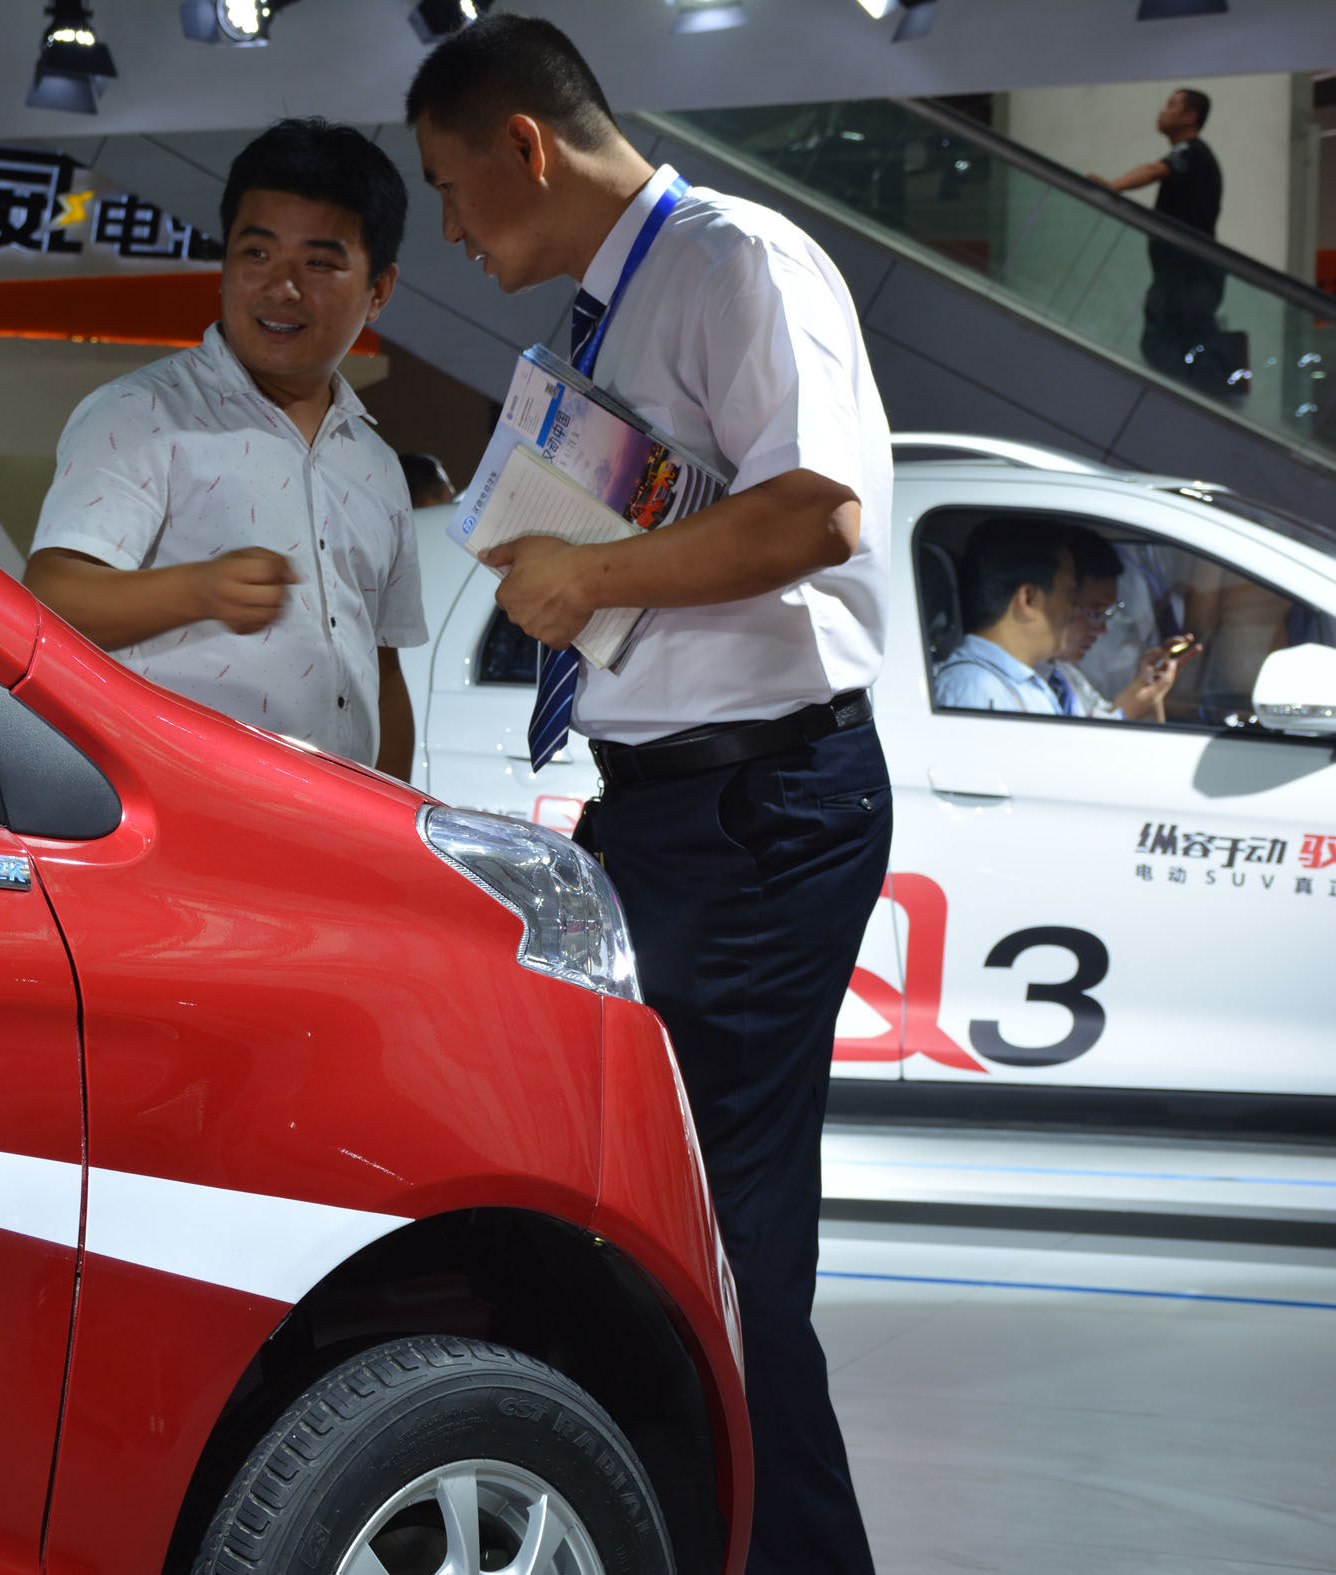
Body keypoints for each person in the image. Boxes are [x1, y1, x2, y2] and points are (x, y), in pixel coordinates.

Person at [405, 17, 891, 1573]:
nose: (449, 229)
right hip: (673, 807)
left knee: (726, 1250)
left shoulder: (736, 261)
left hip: (756, 803)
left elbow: (815, 509)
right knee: (668, 1229)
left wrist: (591, 574)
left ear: (524, 146)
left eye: (448, 185)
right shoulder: (612, 309)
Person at [24, 119, 424, 779]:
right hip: (183, 811)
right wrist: (197, 589)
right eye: (256, 253)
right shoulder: (141, 414)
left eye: (319, 263)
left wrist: (397, 821)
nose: (281, 287)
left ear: (377, 290)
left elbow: (382, 671)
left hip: (335, 824)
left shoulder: (377, 463)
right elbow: (49, 598)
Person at [1089, 89, 1227, 393]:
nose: (1162, 111)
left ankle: (1187, 402)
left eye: (1171, 105)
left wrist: (1112, 187)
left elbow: (1155, 170)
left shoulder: (1191, 152)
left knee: (1165, 343)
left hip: (1189, 273)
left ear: (1190, 117)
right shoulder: (1195, 155)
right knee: (1180, 343)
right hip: (1187, 273)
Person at [1042, 526, 1187, 722]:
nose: (1101, 630)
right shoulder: (1022, 685)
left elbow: (1142, 736)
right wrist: (1124, 711)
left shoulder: (1067, 677)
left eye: (1107, 613)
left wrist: (1151, 692)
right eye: (1094, 612)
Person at [934, 521, 1076, 713]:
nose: (1074, 609)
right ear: (1029, 599)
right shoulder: (975, 690)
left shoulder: (1016, 683)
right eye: (1069, 594)